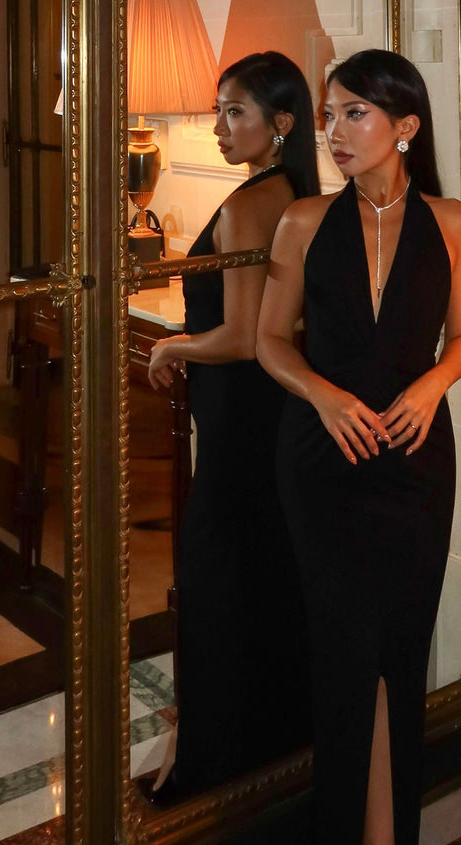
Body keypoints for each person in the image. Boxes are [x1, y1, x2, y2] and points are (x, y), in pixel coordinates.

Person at [256, 49, 461, 845]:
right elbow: (269, 340)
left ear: (406, 126)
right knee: (349, 664)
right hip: (325, 465)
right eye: (329, 115)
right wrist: (325, 394)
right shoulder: (303, 221)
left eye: (353, 114)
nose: (335, 132)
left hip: (417, 468)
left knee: (398, 661)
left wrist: (432, 386)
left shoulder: (454, 223)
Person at [141, 52, 319, 806]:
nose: (218, 126)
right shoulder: (294, 194)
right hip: (267, 412)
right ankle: (259, 737)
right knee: (260, 569)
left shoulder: (253, 204)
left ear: (280, 123)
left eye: (234, 111)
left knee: (216, 573)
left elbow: (245, 337)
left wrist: (174, 346)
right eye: (219, 110)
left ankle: (212, 752)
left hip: (242, 408)